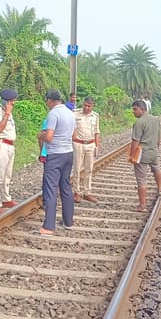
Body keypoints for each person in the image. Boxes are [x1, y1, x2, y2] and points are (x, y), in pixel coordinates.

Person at [36, 89, 76, 236]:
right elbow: (73, 135)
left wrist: (40, 135)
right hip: (68, 153)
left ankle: (49, 227)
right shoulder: (70, 113)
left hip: (55, 155)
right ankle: (68, 221)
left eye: (46, 100)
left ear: (50, 100)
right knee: (65, 186)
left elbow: (49, 137)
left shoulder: (53, 114)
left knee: (50, 189)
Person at [129, 100, 161, 212]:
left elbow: (135, 141)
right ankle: (160, 189)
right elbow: (158, 138)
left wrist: (132, 156)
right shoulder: (156, 120)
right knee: (157, 170)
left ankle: (142, 206)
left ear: (142, 109)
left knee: (141, 179)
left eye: (135, 109)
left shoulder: (139, 123)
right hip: (153, 152)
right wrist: (156, 148)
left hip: (142, 154)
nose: (133, 112)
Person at [0, 89, 18, 215]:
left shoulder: (9, 114)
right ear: (6, 102)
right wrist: (6, 114)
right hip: (2, 145)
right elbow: (0, 129)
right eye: (11, 101)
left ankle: (6, 198)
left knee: (7, 174)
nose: (13, 104)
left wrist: (8, 113)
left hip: (10, 145)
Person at [72, 97, 101, 204]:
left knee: (89, 169)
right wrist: (73, 137)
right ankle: (76, 192)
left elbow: (97, 132)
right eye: (85, 105)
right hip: (78, 144)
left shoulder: (95, 116)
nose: (86, 108)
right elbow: (71, 128)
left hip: (90, 144)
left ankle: (87, 192)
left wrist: (97, 146)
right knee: (77, 168)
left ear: (92, 106)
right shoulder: (75, 114)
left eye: (89, 106)